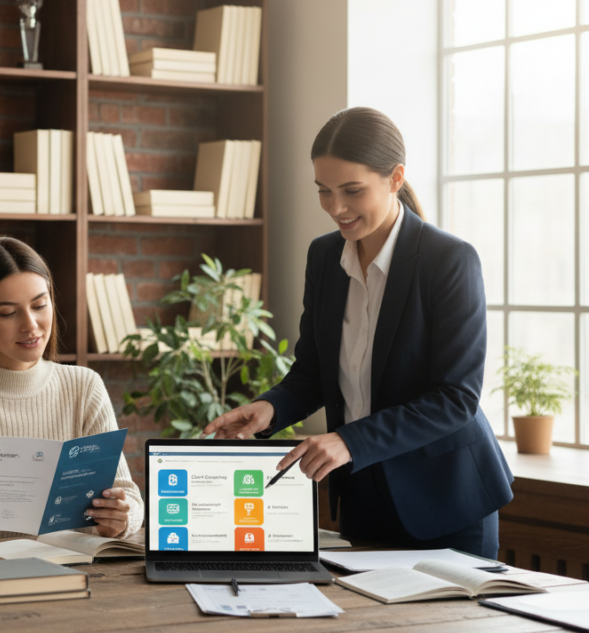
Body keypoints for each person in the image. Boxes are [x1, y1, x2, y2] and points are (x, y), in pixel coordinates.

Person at [204, 107, 513, 559]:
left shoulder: (449, 261)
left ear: (395, 178)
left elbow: (455, 398)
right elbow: (314, 372)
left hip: (447, 503)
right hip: (363, 498)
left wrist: (350, 441)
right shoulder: (325, 258)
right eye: (324, 192)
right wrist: (270, 408)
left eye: (352, 191)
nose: (336, 209)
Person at [0, 236, 145, 551]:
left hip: (77, 573)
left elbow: (129, 497)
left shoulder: (84, 386)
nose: (31, 325)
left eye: (39, 305)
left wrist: (122, 518)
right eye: (9, 313)